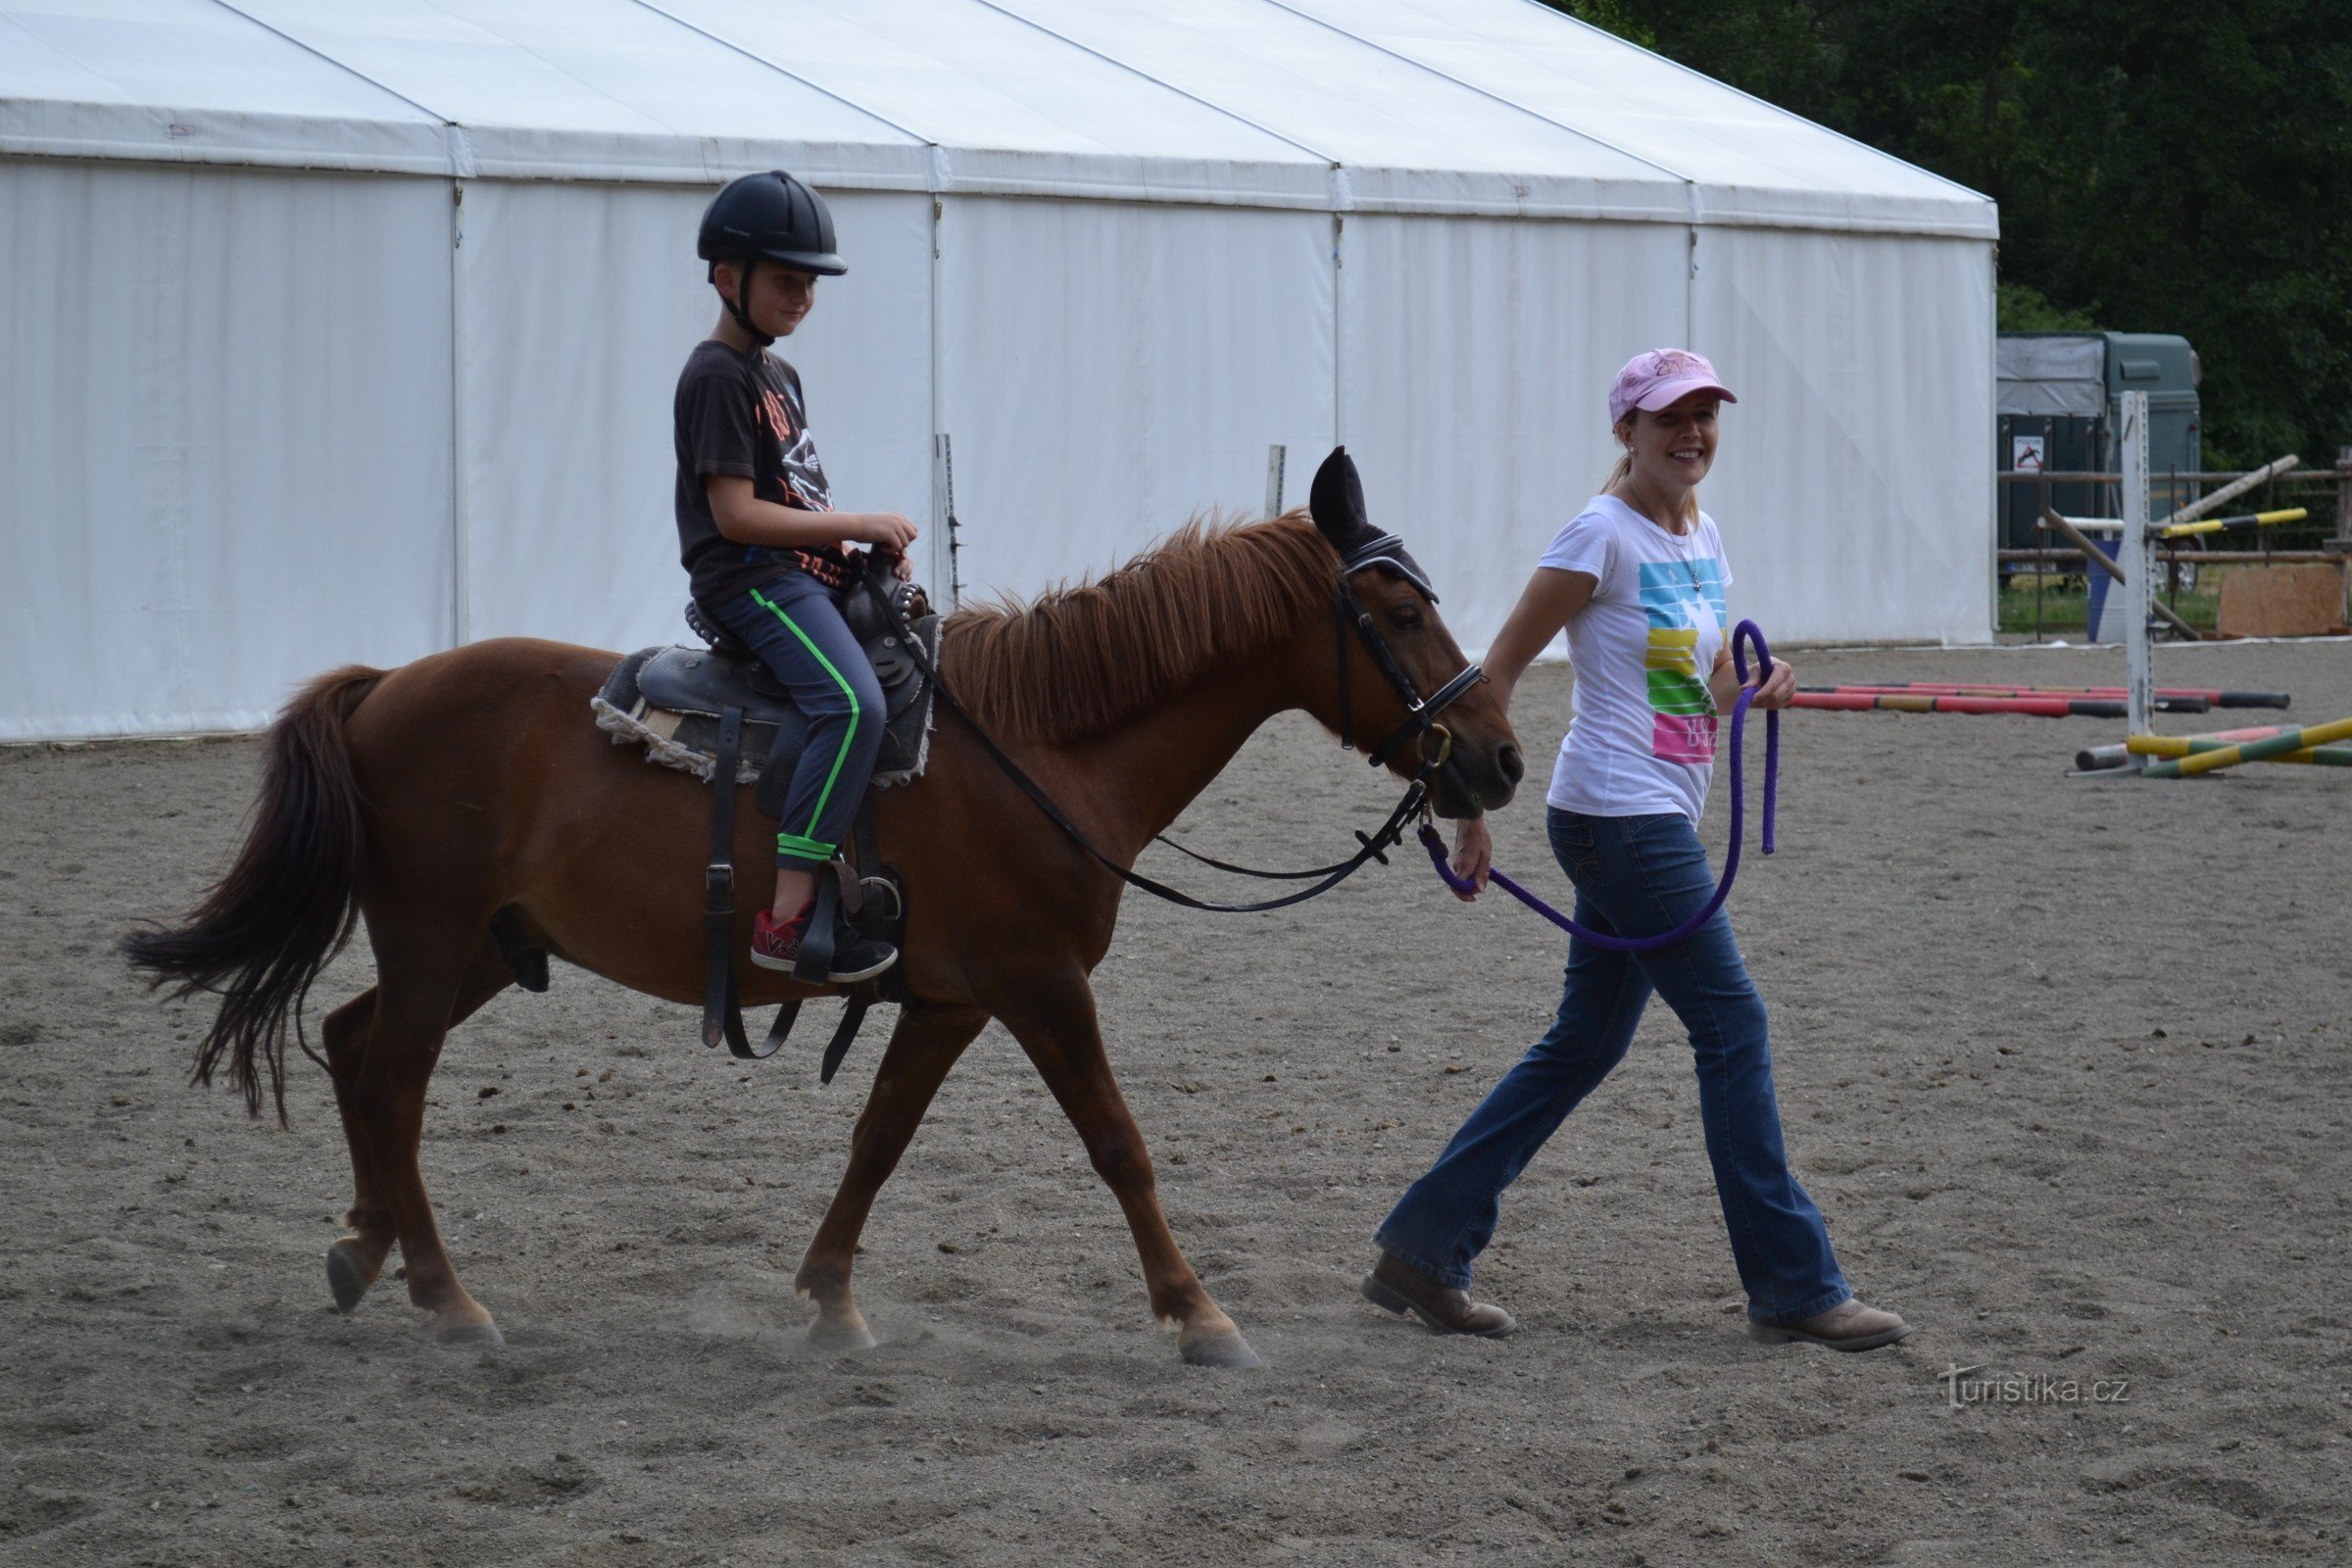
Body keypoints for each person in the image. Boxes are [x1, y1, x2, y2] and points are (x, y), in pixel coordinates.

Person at [1360, 349, 1912, 1352]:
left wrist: (1757, 688)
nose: (1693, 434)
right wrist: (1470, 808)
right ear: (1627, 431)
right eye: (1671, 418)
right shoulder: (1597, 535)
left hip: (1653, 808)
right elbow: (1498, 670)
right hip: (1618, 816)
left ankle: (1424, 1244)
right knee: (1733, 1023)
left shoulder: (1704, 537)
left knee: (1586, 1042)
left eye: (1705, 416)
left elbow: (1694, 695)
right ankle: (1795, 1283)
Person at [673, 170, 917, 983]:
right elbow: (738, 515)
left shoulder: (782, 378)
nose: (803, 295)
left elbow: (794, 497)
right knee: (852, 704)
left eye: (810, 281)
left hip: (802, 574)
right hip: (750, 580)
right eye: (786, 278)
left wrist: (857, 556)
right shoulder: (716, 375)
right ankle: (786, 919)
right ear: (726, 276)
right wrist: (856, 522)